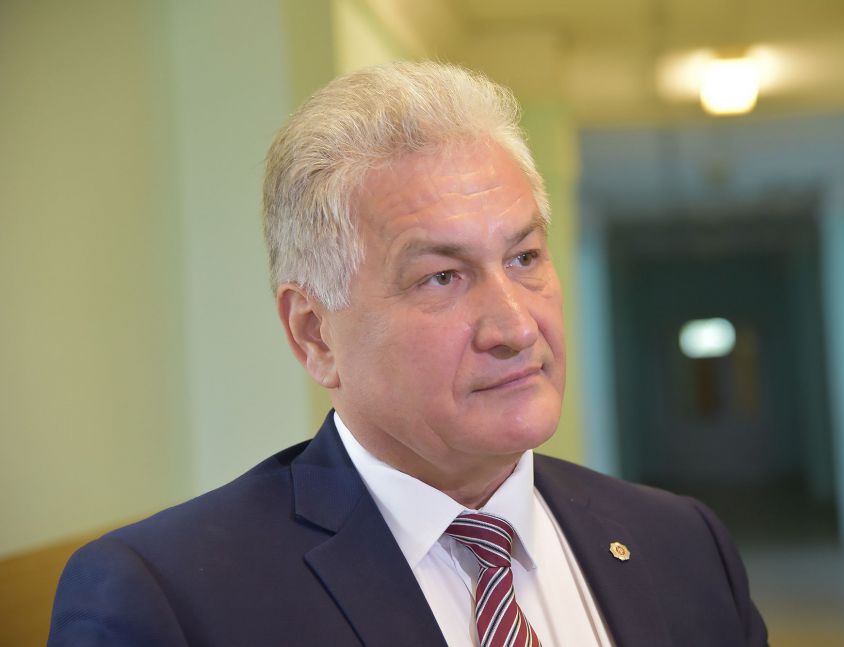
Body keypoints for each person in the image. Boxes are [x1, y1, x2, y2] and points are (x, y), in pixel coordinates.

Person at [49, 61, 768, 646]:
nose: (516, 327)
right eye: (441, 277)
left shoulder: (684, 543)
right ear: (314, 332)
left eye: (523, 257)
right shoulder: (164, 601)